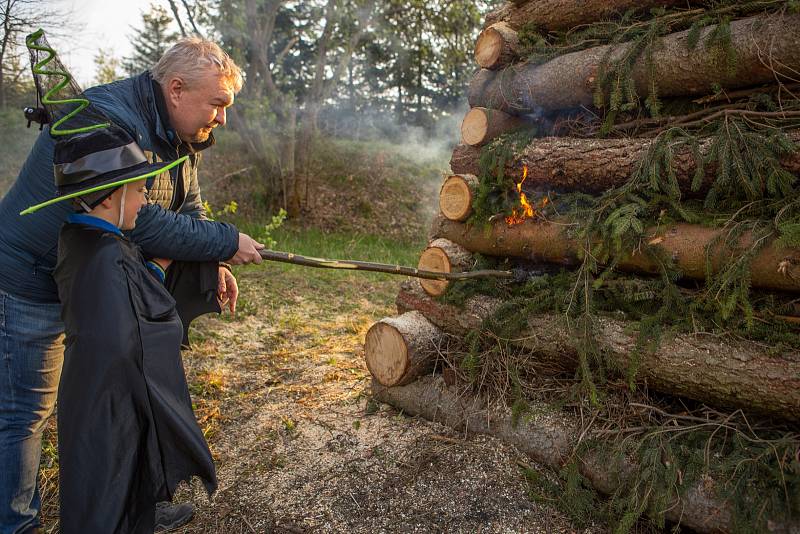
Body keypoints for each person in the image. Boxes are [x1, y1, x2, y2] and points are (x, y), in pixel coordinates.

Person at [0, 37, 262, 533]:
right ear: (177, 89)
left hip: (95, 281)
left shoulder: (182, 135)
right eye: (218, 104)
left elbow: (188, 206)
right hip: (30, 281)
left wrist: (215, 258)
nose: (222, 119)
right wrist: (225, 241)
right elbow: (137, 220)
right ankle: (17, 524)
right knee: (23, 416)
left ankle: (133, 502)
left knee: (122, 396)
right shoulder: (109, 120)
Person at [22, 122, 217, 533]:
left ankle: (142, 513)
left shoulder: (80, 238)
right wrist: (158, 287)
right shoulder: (109, 255)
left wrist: (153, 269)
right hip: (112, 399)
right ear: (113, 196)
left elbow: (125, 301)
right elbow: (139, 329)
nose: (146, 199)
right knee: (109, 483)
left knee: (105, 474)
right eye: (141, 191)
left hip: (90, 391)